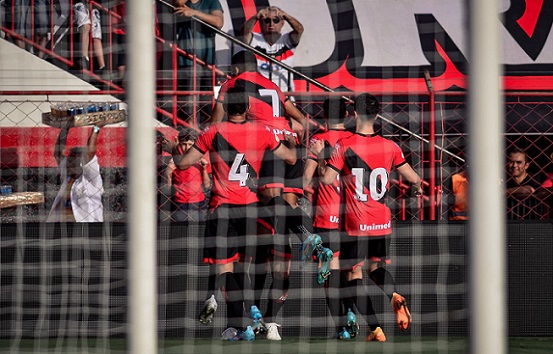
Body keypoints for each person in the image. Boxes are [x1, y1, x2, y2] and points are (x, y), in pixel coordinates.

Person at [164, 87, 297, 341]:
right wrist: (290, 143)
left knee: (225, 271)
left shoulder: (212, 132)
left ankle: (243, 322)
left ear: (225, 107)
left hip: (222, 209)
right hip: (249, 209)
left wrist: (173, 148)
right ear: (247, 108)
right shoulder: (262, 131)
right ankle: (251, 315)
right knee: (240, 269)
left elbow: (181, 164)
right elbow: (290, 158)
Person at [210, 50, 316, 340]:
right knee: (280, 250)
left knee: (253, 252)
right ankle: (271, 323)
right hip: (288, 145)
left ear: (233, 68)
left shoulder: (233, 84)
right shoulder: (273, 86)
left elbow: (218, 123)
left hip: (265, 148)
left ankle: (246, 321)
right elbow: (302, 121)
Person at [313, 93, 421, 342]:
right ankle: (394, 297)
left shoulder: (345, 145)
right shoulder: (390, 146)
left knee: (349, 276)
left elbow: (327, 180)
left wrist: (321, 155)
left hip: (356, 224)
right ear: (377, 114)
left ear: (353, 114)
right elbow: (414, 179)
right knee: (375, 269)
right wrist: (415, 189)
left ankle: (375, 327)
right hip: (382, 222)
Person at [304, 97, 357, 339]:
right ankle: (351, 314)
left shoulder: (318, 140)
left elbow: (305, 180)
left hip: (326, 217)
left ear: (323, 115)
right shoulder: (355, 140)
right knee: (352, 272)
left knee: (330, 274)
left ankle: (340, 328)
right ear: (347, 115)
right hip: (355, 216)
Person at [173, 0, 223, 123]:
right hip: (186, 62)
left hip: (207, 63)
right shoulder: (184, 3)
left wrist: (194, 13)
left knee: (208, 109)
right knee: (189, 110)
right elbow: (176, 2)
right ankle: (192, 136)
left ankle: (204, 136)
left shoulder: (211, 2)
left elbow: (219, 22)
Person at [47, 122, 105, 222]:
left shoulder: (91, 178)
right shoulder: (68, 177)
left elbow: (90, 152)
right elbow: (58, 153)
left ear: (82, 162)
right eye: (68, 161)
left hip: (87, 229)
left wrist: (96, 129)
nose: (68, 164)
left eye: (72, 161)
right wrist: (66, 127)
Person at [240, 5, 304, 93]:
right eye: (267, 20)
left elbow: (299, 29)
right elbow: (244, 33)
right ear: (262, 23)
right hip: (262, 94)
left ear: (282, 23)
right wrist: (256, 16)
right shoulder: (255, 39)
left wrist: (286, 16)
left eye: (276, 20)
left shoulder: (287, 39)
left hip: (285, 95)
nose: (271, 24)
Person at [164, 128, 211, 222]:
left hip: (199, 202)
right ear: (179, 143)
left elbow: (207, 185)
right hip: (180, 202)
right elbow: (167, 187)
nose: (187, 148)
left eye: (190, 144)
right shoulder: (176, 160)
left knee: (199, 230)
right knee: (181, 230)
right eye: (184, 144)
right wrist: (168, 172)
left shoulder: (200, 160)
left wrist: (204, 169)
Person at [505, 147, 545, 219]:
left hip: (533, 222)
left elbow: (529, 190)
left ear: (526, 165)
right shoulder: (505, 180)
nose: (514, 165)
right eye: (511, 162)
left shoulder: (536, 178)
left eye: (519, 162)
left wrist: (504, 192)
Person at [73, 0, 106, 73]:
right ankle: (84, 58)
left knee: (97, 37)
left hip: (93, 7)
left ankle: (102, 67)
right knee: (86, 26)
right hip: (81, 3)